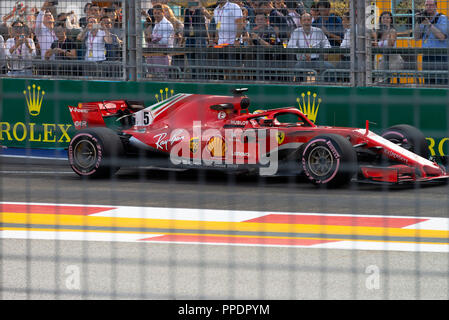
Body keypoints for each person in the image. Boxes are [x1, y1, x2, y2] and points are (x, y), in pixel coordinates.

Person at [287, 12, 333, 82]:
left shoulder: (318, 31)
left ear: (311, 20)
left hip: (317, 59)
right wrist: (303, 53)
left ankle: (325, 86)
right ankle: (299, 88)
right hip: (303, 60)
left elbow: (327, 44)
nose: (306, 22)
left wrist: (325, 52)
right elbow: (290, 46)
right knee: (297, 68)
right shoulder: (296, 31)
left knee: (330, 67)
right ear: (301, 22)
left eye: (308, 20)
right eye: (304, 20)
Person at [414, 0, 449, 85]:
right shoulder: (424, 18)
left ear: (436, 6)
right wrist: (418, 22)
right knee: (428, 82)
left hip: (440, 55)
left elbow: (442, 37)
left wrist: (429, 24)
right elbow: (416, 37)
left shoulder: (442, 18)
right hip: (426, 55)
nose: (428, 7)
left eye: (431, 5)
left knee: (441, 82)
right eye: (426, 5)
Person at [145, 4, 174, 77]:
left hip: (163, 56)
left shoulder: (167, 24)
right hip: (155, 56)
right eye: (155, 13)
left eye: (158, 13)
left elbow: (164, 41)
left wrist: (152, 37)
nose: (156, 15)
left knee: (162, 78)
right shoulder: (157, 24)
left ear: (163, 13)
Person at [374, 11, 403, 82]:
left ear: (391, 20)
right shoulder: (378, 32)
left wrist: (388, 31)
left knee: (385, 74)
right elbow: (375, 45)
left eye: (387, 18)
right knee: (378, 77)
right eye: (383, 18)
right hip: (384, 58)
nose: (385, 20)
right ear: (380, 19)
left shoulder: (393, 30)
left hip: (394, 59)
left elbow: (391, 44)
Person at [183, 2, 210, 78]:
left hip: (199, 38)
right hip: (189, 38)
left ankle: (202, 79)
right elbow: (185, 26)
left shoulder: (201, 8)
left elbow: (209, 18)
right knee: (191, 61)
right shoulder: (186, 10)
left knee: (201, 60)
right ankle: (194, 78)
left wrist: (204, 12)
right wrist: (183, 40)